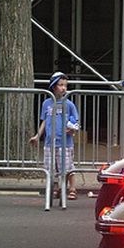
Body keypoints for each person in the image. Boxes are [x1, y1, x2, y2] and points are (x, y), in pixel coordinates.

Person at [29, 72, 80, 200]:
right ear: (53, 86)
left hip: (65, 142)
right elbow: (45, 120)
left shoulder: (69, 104)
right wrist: (37, 136)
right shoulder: (46, 104)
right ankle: (58, 188)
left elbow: (76, 122)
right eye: (61, 85)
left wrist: (72, 130)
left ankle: (72, 188)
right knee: (52, 167)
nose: (64, 88)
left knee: (67, 166)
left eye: (65, 85)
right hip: (49, 142)